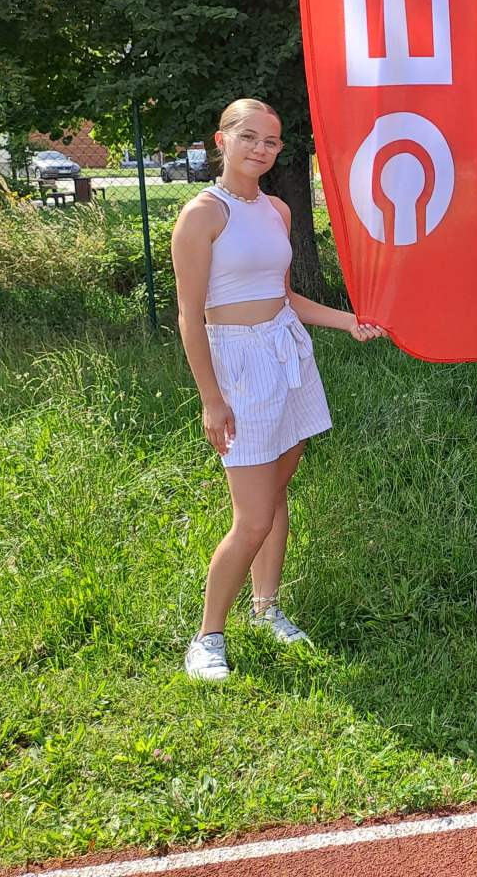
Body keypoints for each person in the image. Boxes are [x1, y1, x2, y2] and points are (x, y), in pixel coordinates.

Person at [172, 99, 387, 683]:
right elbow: (191, 315)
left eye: (271, 141)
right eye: (249, 137)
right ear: (222, 140)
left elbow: (283, 295)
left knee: (275, 493)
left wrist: (348, 321)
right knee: (253, 518)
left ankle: (265, 608)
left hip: (287, 352)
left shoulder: (278, 209)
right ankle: (207, 637)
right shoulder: (202, 214)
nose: (261, 149)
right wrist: (211, 399)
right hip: (237, 365)